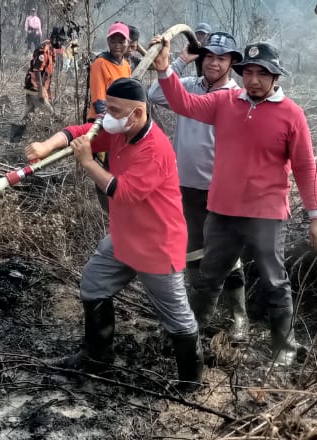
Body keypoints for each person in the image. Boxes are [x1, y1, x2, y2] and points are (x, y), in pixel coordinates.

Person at [150, 38, 317, 365]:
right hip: (222, 211)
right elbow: (184, 104)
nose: (254, 80)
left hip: (266, 214)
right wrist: (164, 69)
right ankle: (189, 336)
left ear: (276, 77)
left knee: (274, 281)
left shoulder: (292, 115)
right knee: (207, 277)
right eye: (248, 72)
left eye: (263, 73)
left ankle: (284, 350)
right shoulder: (225, 102)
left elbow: (305, 166)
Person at [24, 78, 201, 386]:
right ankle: (97, 356)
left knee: (178, 319)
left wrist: (89, 163)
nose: (107, 117)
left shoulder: (155, 148)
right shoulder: (119, 130)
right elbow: (79, 132)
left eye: (115, 110)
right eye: (108, 108)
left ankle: (191, 380)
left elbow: (125, 192)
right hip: (124, 237)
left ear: (138, 113)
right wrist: (45, 146)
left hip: (157, 247)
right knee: (93, 283)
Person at [147, 29, 249, 340]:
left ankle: (237, 318)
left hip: (219, 189)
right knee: (193, 251)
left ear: (232, 62)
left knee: (224, 255)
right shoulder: (189, 86)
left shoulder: (235, 97)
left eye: (221, 58)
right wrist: (178, 60)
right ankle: (197, 314)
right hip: (185, 185)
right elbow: (154, 94)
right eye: (208, 57)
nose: (213, 63)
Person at [9, 26, 64, 142]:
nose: (61, 43)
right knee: (50, 111)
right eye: (60, 40)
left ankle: (14, 136)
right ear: (54, 38)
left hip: (37, 86)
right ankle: (52, 136)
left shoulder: (52, 48)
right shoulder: (43, 49)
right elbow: (37, 70)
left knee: (28, 110)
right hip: (34, 85)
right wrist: (40, 91)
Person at [87, 22, 133, 119]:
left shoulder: (126, 66)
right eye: (113, 42)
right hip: (101, 121)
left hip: (120, 120)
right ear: (108, 42)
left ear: (128, 43)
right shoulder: (100, 64)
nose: (117, 46)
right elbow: (99, 102)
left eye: (121, 42)